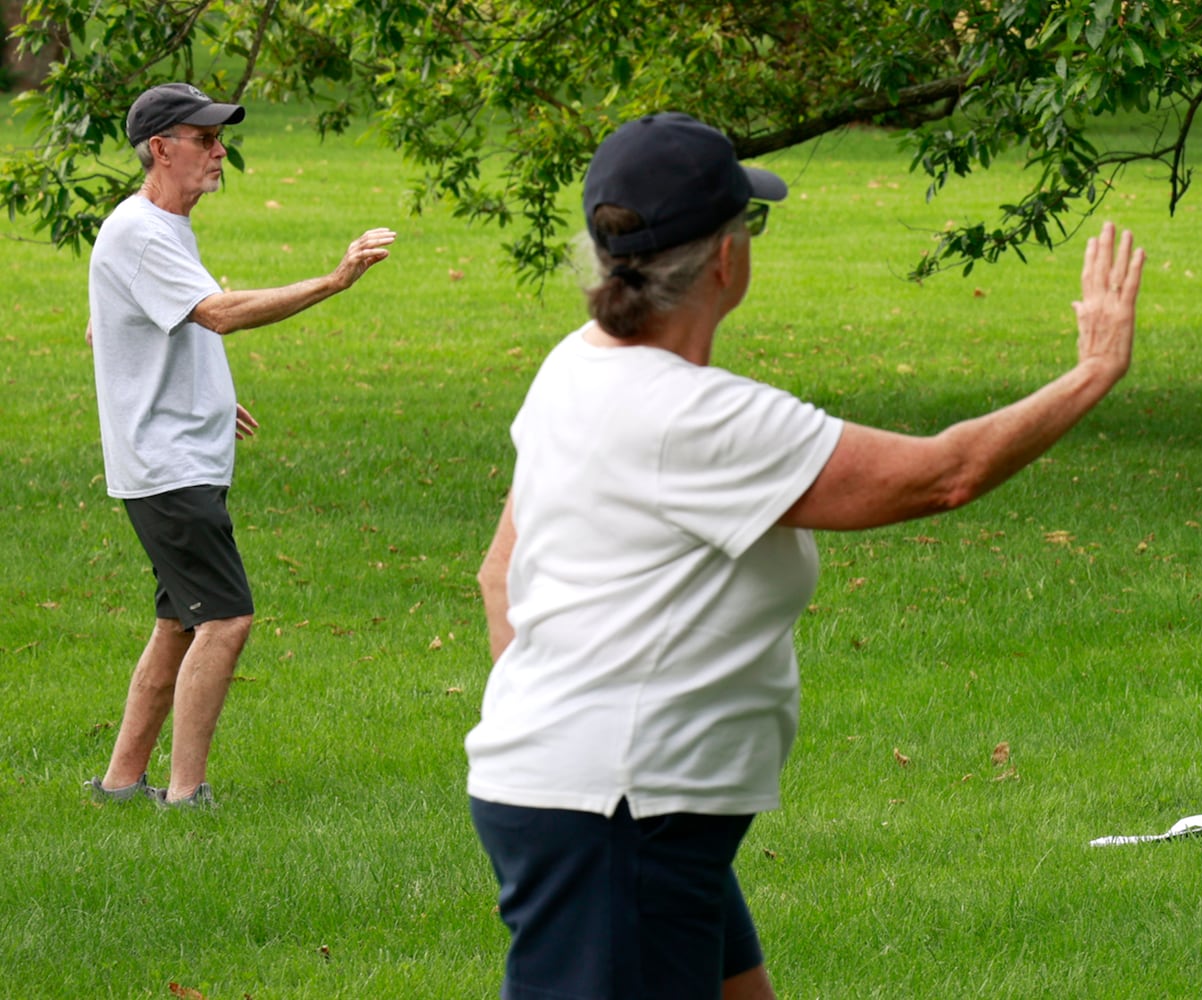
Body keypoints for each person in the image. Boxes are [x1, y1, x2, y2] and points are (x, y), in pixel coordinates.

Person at [467, 111, 1145, 1000]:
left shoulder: (574, 366)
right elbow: (945, 475)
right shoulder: (700, 419)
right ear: (725, 258)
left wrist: (561, 724)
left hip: (627, 800)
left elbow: (497, 572)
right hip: (620, 812)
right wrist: (1091, 370)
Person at [85, 82, 397, 808]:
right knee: (225, 620)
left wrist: (208, 395)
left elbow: (118, 325)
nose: (220, 151)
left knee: (177, 623)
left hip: (175, 454)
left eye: (218, 137)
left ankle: (121, 783)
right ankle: (186, 795)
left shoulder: (154, 228)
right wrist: (336, 279)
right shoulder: (139, 231)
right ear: (161, 149)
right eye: (204, 138)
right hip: (166, 468)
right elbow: (217, 315)